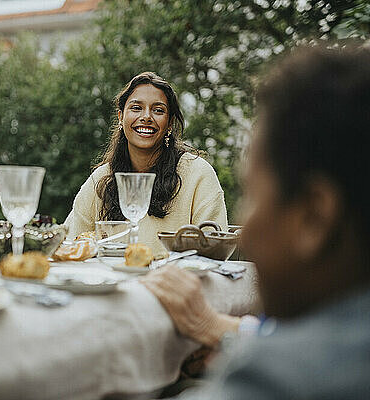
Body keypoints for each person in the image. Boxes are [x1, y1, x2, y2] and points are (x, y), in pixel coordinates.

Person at [142, 45, 370, 398]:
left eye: (251, 195)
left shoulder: (275, 380)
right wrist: (220, 328)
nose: (246, 226)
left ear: (313, 218)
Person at [64, 72, 227, 257]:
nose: (146, 117)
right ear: (120, 117)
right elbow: (71, 244)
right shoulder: (101, 179)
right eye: (136, 108)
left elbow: (214, 254)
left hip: (173, 283)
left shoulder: (198, 174)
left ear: (170, 123)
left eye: (158, 110)